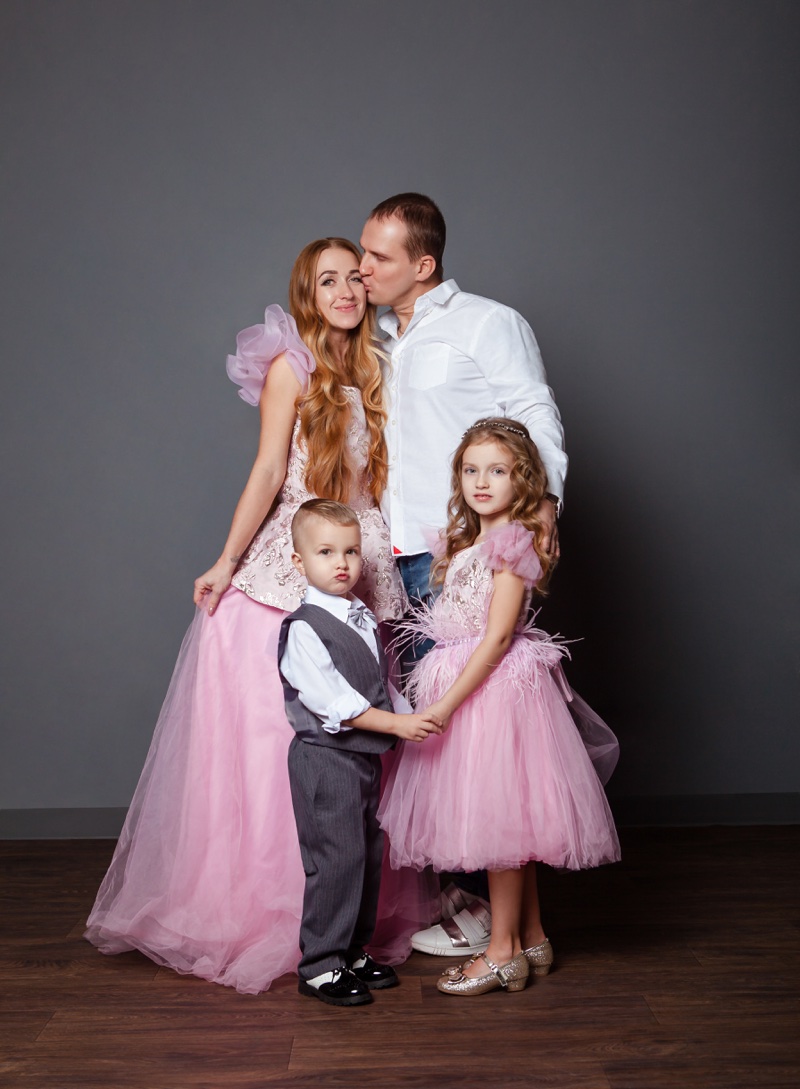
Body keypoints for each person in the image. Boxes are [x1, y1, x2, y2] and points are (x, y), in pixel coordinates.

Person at [85, 239, 437, 994]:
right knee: (283, 745)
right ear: (307, 294)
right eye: (327, 281)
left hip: (361, 557)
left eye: (354, 277)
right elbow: (272, 469)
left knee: (363, 754)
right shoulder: (293, 369)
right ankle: (283, 924)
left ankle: (352, 931)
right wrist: (225, 559)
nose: (346, 291)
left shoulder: (378, 365)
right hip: (295, 557)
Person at [359, 191, 569, 953]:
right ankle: (464, 905)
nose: (363, 266)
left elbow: (535, 415)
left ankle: (497, 929)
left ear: (424, 264)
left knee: (481, 735)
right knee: (429, 738)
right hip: (396, 557)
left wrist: (540, 512)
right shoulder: (375, 336)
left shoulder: (488, 322)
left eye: (379, 255)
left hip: (464, 555)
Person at [377, 418, 620, 996]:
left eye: (498, 471)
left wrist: (446, 705)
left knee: (500, 824)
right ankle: (531, 936)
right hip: (477, 689)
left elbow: (497, 637)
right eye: (471, 470)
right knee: (509, 822)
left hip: (492, 694)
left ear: (524, 480)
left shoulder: (512, 543)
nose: (481, 482)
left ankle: (502, 952)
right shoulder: (469, 542)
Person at [278, 500, 442, 1006]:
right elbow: (338, 704)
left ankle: (352, 950)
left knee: (368, 856)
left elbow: (377, 686)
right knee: (335, 860)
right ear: (299, 561)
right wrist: (398, 724)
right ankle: (320, 963)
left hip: (363, 759)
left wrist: (410, 714)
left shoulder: (360, 616)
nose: (342, 563)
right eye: (326, 552)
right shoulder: (304, 628)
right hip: (325, 760)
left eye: (350, 551)